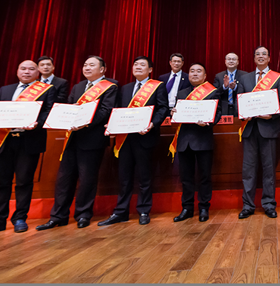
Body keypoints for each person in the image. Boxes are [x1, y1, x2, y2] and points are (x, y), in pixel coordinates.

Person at [0, 60, 57, 235]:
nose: (26, 72)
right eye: (23, 68)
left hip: (28, 141)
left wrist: (37, 124)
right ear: (17, 71)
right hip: (4, 141)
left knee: (24, 182)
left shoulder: (47, 89)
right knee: (0, 182)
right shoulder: (6, 90)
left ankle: (20, 218)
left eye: (31, 69)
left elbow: (49, 112)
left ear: (38, 72)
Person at [37, 56, 118, 230]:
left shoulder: (110, 86)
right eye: (85, 65)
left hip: (92, 139)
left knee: (87, 179)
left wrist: (85, 122)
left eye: (92, 65)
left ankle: (83, 215)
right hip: (72, 138)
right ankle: (58, 216)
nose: (87, 68)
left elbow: (106, 111)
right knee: (64, 179)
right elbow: (69, 107)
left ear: (102, 69)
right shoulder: (78, 86)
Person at [97, 56, 167, 227]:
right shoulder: (125, 88)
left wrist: (152, 124)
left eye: (142, 65)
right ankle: (121, 211)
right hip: (125, 139)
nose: (138, 67)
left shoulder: (157, 86)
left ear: (150, 70)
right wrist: (112, 123)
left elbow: (163, 108)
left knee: (144, 177)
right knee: (124, 177)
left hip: (145, 137)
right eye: (135, 64)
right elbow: (118, 110)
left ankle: (143, 210)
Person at [236, 46, 280, 219]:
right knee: (248, 170)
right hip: (249, 129)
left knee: (269, 169)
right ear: (253, 58)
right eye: (257, 54)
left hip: (269, 129)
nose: (260, 56)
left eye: (264, 54)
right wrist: (242, 113)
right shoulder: (245, 78)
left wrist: (272, 114)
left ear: (269, 58)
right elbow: (238, 101)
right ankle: (247, 206)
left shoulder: (278, 78)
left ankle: (269, 204)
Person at [170, 63, 222, 223]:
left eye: (199, 71)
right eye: (192, 71)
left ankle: (204, 207)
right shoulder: (182, 93)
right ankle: (187, 208)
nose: (195, 73)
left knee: (204, 176)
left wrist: (208, 121)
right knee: (186, 177)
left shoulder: (212, 91)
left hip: (203, 139)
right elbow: (177, 115)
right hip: (184, 141)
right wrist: (173, 113)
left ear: (205, 76)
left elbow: (218, 113)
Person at [213, 53, 247, 117]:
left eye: (233, 59)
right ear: (225, 62)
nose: (231, 61)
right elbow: (214, 93)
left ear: (238, 62)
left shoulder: (244, 75)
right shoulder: (219, 76)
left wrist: (235, 88)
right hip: (223, 109)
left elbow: (247, 91)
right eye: (229, 59)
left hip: (239, 108)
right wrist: (224, 87)